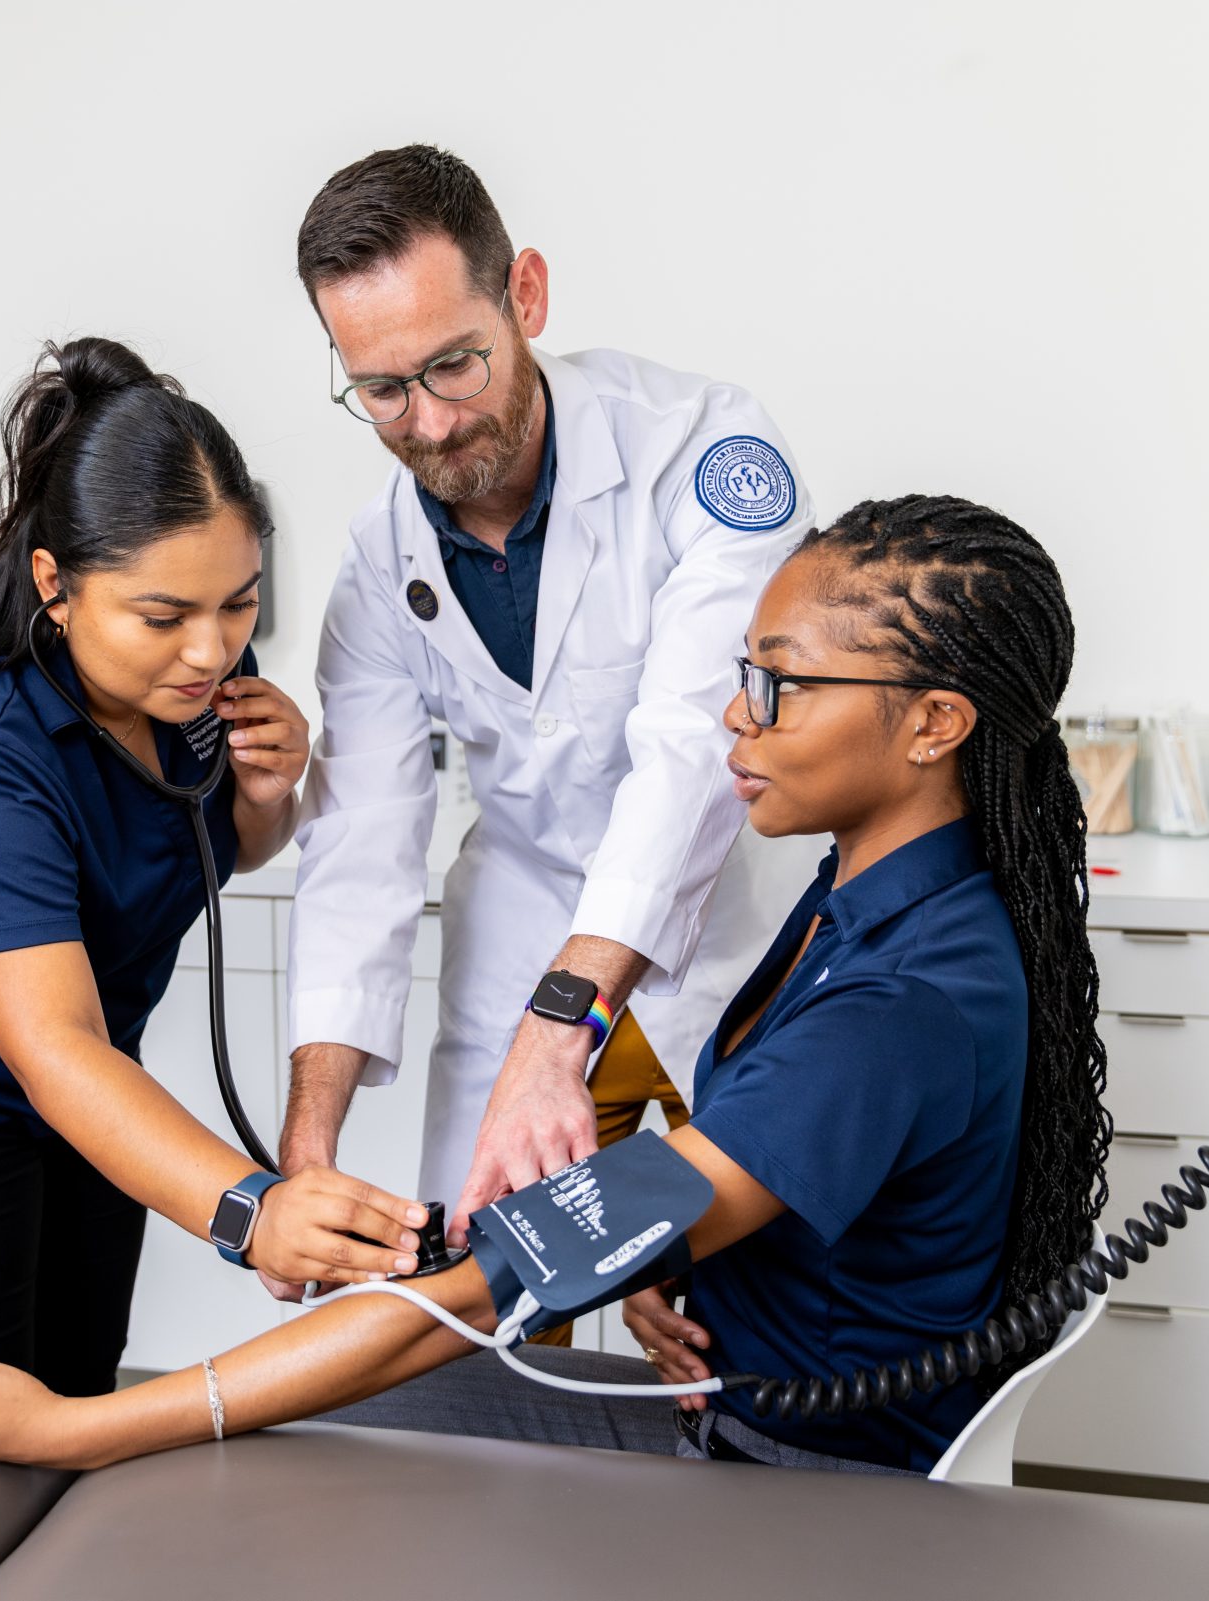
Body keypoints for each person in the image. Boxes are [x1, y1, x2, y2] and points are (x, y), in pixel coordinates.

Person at [0, 495, 1112, 1475]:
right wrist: (686, 1249)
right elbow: (783, 1165)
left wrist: (80, 1425)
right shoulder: (887, 902)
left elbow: (476, 1295)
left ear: (935, 724)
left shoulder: (899, 1000)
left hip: (785, 1473)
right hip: (750, 1403)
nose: (734, 716)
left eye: (779, 684)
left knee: (302, 1427)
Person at [0, 338, 431, 1399]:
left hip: (100, 1075)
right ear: (55, 582)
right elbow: (53, 1046)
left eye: (239, 602)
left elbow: (214, 847)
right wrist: (249, 1213)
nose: (212, 649)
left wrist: (263, 793)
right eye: (165, 616)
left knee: (82, 1378)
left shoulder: (196, 687)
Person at [278, 145, 823, 1283]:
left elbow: (691, 752)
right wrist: (305, 1145)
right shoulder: (381, 560)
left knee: (746, 1306)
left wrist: (560, 1022)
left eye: (454, 366)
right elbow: (360, 845)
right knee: (468, 1301)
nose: (426, 424)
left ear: (524, 294)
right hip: (521, 927)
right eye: (381, 389)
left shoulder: (704, 452)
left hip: (729, 934)